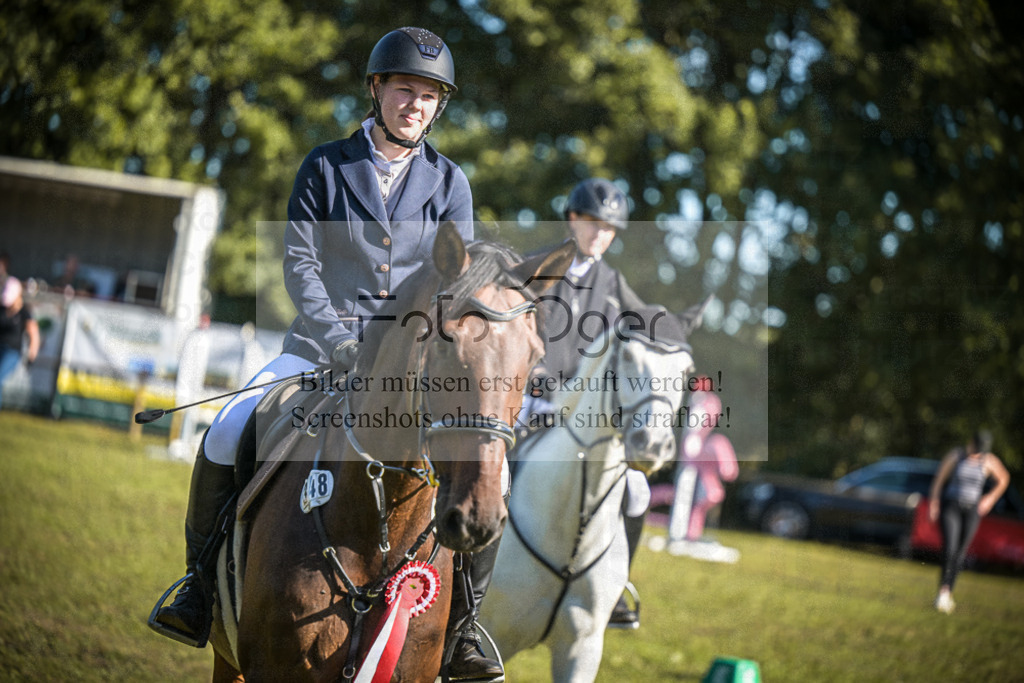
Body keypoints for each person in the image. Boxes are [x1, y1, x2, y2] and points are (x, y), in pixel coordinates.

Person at [152, 27, 500, 680]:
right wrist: (338, 337)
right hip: (316, 350)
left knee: (485, 474)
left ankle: (464, 631)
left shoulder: (451, 183)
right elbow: (299, 259)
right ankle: (198, 588)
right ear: (377, 89)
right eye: (405, 89)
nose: (416, 105)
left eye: (429, 96)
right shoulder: (325, 165)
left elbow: (457, 281)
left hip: (410, 368)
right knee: (225, 434)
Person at [522, 178, 651, 628]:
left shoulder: (614, 284)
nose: (601, 236)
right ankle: (469, 577)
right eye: (595, 224)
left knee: (637, 490)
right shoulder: (535, 268)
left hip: (583, 414)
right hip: (528, 403)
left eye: (610, 229)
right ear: (572, 219)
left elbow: (643, 334)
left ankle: (616, 588)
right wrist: (532, 378)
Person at [927, 430, 1010, 613]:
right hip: (951, 507)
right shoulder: (956, 456)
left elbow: (1004, 478)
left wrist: (989, 499)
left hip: (972, 510)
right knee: (949, 549)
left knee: (961, 553)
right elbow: (939, 481)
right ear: (971, 442)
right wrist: (934, 503)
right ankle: (942, 591)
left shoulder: (988, 460)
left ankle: (948, 592)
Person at [0, 277, 40, 410]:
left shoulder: (24, 313)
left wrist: (32, 354)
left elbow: (33, 334)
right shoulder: (2, 309)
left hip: (12, 352)